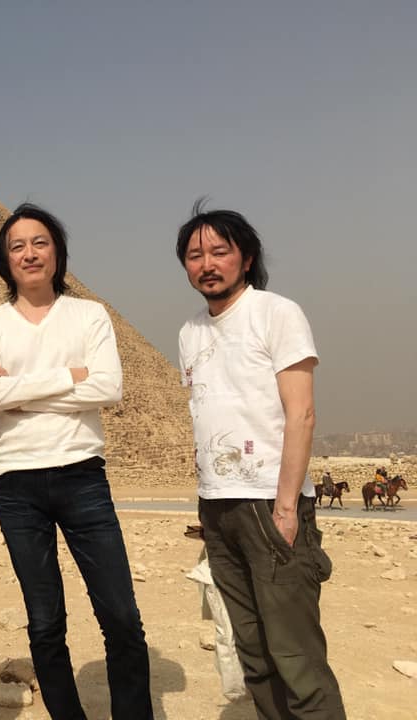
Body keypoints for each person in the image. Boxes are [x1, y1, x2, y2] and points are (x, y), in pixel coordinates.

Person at [0, 203, 153, 720]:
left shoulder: (89, 314)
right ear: (5, 260)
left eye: (40, 242)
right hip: (16, 483)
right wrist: (71, 376)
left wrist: (18, 392)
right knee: (45, 621)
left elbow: (109, 385)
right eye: (17, 246)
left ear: (57, 251)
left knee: (120, 615)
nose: (29, 253)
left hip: (82, 476)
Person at [176, 200, 345, 719]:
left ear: (245, 257)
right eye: (194, 254)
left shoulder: (277, 312)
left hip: (272, 502)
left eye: (219, 251)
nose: (207, 263)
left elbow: (303, 414)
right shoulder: (189, 333)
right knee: (253, 653)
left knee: (296, 656)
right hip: (218, 509)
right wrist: (208, 509)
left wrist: (288, 508)